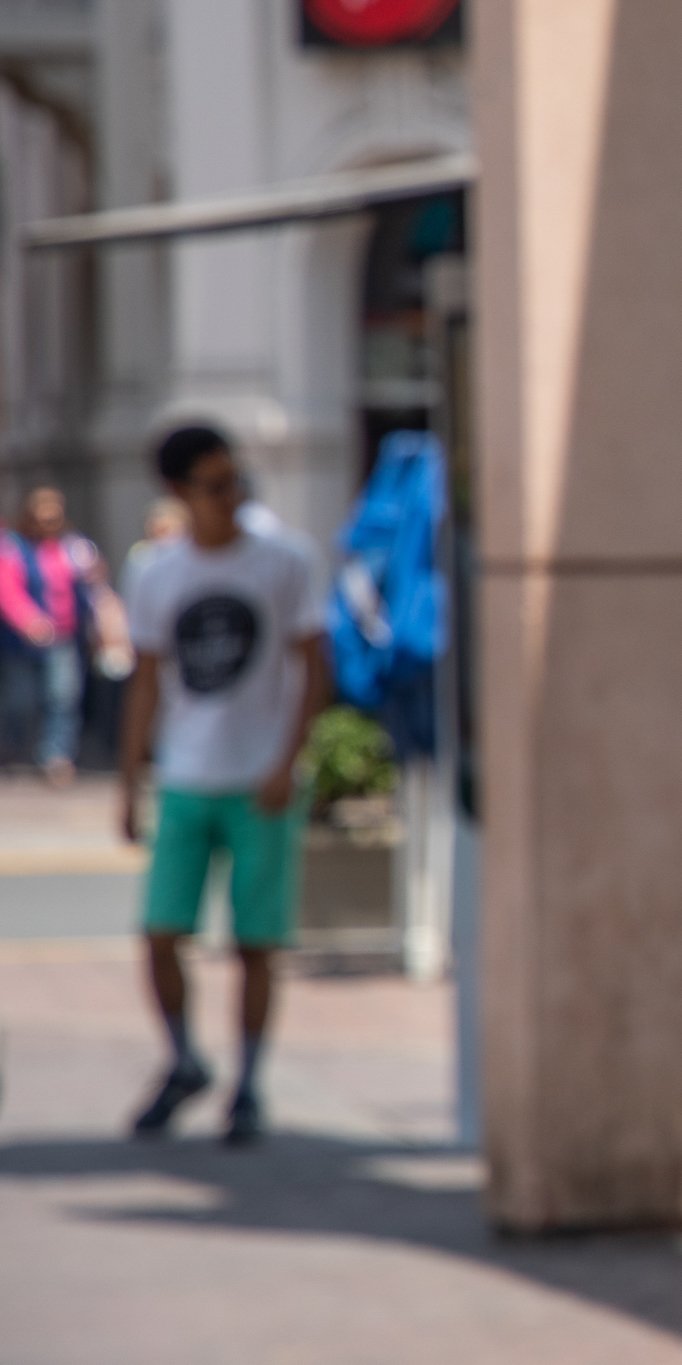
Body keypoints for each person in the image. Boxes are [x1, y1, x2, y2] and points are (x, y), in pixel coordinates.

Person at [121, 426, 328, 1145]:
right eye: (215, 485)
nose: (233, 496)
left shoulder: (284, 560)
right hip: (186, 774)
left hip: (260, 777)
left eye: (237, 480)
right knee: (159, 932)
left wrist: (287, 759)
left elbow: (315, 663)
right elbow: (146, 680)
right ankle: (183, 1058)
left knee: (257, 941)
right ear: (179, 494)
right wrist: (130, 781)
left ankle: (250, 1082)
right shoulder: (155, 571)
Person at [0, 486, 125, 783]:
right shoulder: (13, 548)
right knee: (22, 699)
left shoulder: (72, 547)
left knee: (63, 697)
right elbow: (8, 591)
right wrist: (29, 621)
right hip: (22, 640)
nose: (48, 523)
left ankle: (56, 756)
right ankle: (12, 746)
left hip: (63, 635)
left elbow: (94, 586)